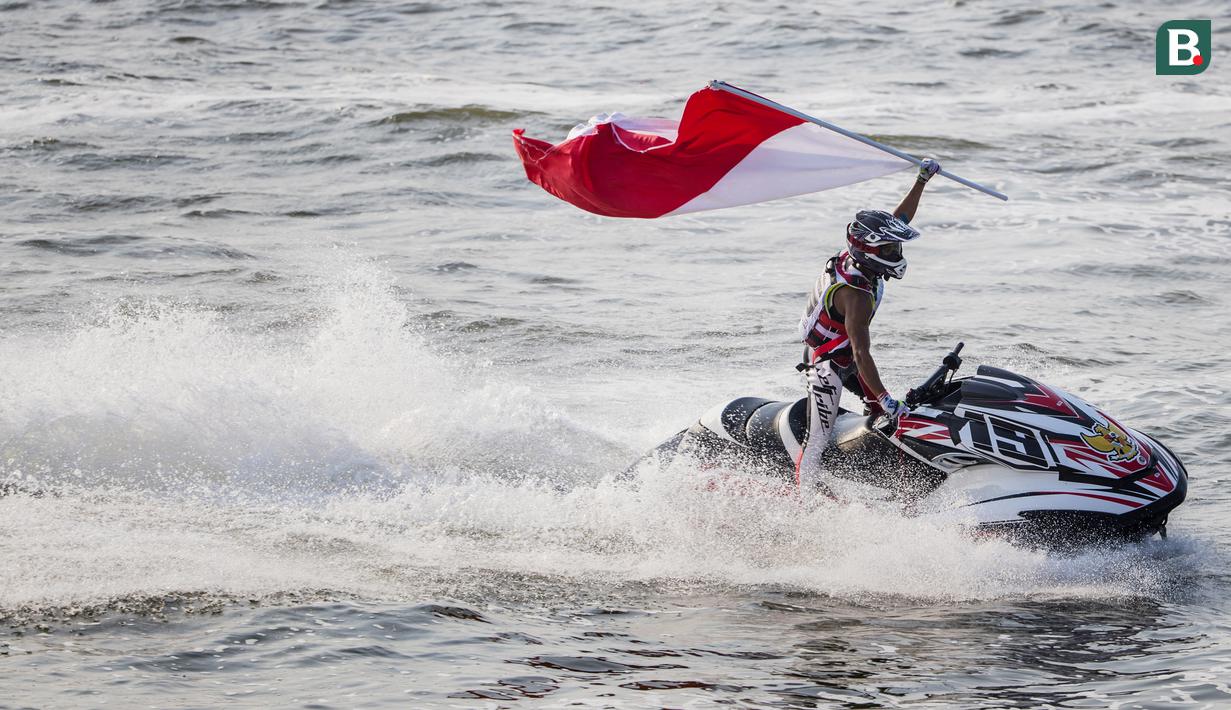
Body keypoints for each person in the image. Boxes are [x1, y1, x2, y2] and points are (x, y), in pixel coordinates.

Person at [793, 158, 942, 490]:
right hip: (828, 363)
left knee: (881, 413)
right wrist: (887, 398)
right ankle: (803, 501)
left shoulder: (861, 259)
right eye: (890, 248)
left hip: (846, 352)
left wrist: (921, 180)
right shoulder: (856, 295)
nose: (896, 252)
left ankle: (892, 479)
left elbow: (900, 218)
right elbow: (861, 353)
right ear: (870, 251)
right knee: (817, 438)